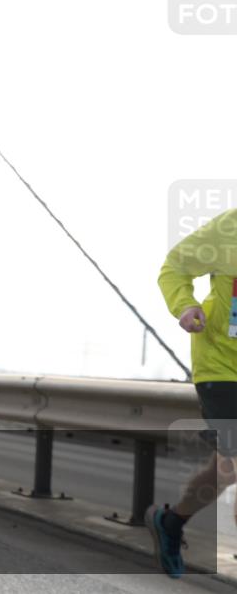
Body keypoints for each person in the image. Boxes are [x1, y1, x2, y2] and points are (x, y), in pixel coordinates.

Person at [147, 208, 237, 578]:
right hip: (221, 365)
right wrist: (185, 305)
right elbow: (175, 267)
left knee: (225, 471)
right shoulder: (231, 228)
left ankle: (171, 522)